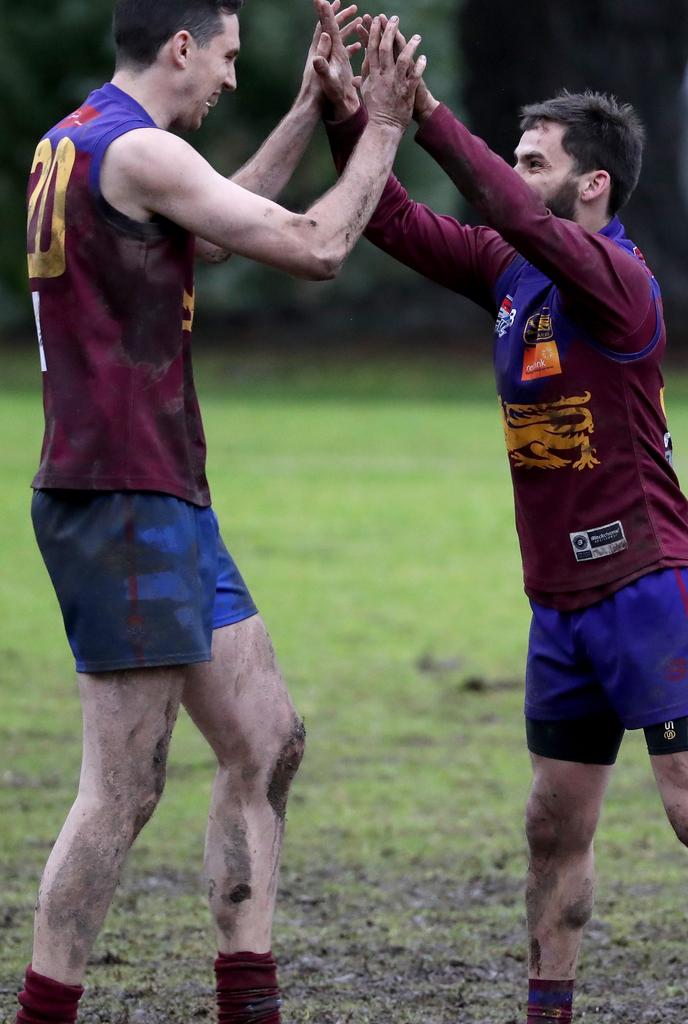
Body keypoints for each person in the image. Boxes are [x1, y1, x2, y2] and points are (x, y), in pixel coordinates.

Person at [317, 18, 688, 1023]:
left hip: (653, 585)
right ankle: (547, 1008)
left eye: (535, 161)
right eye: (515, 159)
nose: (515, 175)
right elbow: (389, 219)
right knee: (552, 825)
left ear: (592, 184)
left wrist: (428, 113)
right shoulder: (509, 273)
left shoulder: (623, 283)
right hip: (559, 603)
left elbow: (510, 210)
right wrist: (348, 109)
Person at [18, 3, 426, 1023]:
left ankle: (250, 999)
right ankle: (43, 1008)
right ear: (182, 45)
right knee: (122, 790)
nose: (230, 82)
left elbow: (214, 232)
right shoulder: (139, 150)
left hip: (164, 495)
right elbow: (320, 246)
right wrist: (380, 122)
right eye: (232, 60)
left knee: (266, 740)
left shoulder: (83, 141)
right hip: (119, 500)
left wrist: (303, 112)